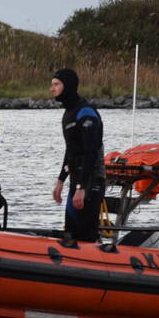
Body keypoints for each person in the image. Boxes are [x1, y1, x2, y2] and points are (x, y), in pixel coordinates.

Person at [50, 68, 105, 242]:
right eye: (52, 85)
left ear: (68, 86)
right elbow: (71, 150)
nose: (52, 89)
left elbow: (91, 152)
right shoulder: (68, 113)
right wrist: (61, 180)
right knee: (71, 229)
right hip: (77, 178)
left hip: (91, 180)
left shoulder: (85, 112)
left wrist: (82, 188)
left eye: (56, 84)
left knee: (85, 233)